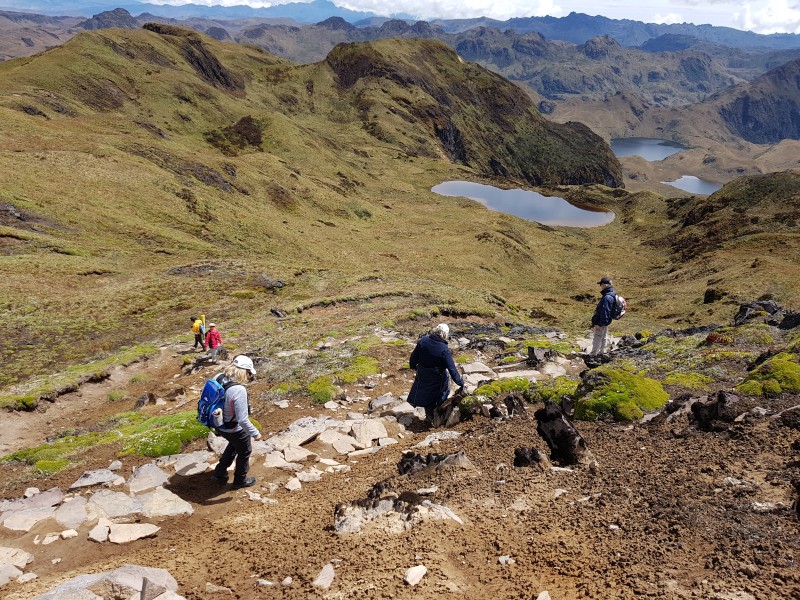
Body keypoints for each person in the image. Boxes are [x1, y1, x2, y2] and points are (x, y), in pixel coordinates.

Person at [211, 355, 262, 488]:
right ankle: (240, 480)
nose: (249, 375)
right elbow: (242, 420)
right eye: (249, 372)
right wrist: (256, 434)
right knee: (244, 451)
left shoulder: (218, 377)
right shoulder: (238, 390)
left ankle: (220, 471)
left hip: (219, 424)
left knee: (234, 445)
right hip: (234, 428)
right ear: (244, 371)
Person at [408, 323, 465, 425]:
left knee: (425, 392)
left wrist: (414, 367)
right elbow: (451, 368)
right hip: (437, 376)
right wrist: (460, 382)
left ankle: (428, 414)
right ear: (444, 334)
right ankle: (437, 411)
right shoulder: (443, 349)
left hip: (422, 373)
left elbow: (413, 358)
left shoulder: (423, 341)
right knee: (442, 391)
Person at [590, 276, 616, 355]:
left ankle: (593, 354)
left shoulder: (607, 297)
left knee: (597, 337)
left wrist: (600, 324)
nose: (600, 286)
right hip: (606, 321)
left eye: (601, 284)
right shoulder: (611, 295)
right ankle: (602, 352)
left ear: (605, 285)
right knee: (604, 337)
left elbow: (605, 311)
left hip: (602, 321)